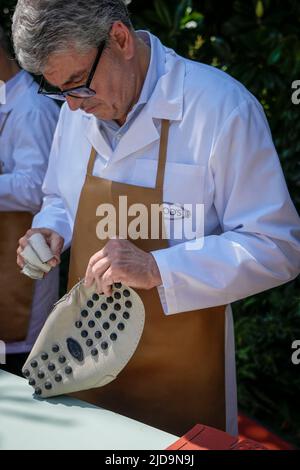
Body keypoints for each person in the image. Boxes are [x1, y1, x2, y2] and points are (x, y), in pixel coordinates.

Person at [13, 0, 300, 436]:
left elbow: (278, 245)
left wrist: (157, 268)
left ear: (120, 39)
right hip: (82, 366)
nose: (71, 108)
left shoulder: (221, 107)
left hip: (182, 383)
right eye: (58, 92)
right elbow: (59, 196)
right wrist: (50, 230)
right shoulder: (80, 108)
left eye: (77, 86)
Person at [0, 24, 60, 375]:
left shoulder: (33, 108)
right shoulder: (7, 99)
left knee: (18, 363)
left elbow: (36, 186)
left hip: (26, 255)